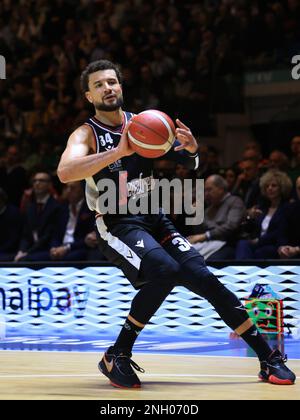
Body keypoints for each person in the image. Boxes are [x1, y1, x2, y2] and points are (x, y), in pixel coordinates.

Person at [57, 60, 295, 389]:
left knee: (205, 278)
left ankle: (268, 358)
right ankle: (118, 354)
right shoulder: (86, 133)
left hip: (154, 217)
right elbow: (66, 172)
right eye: (99, 85)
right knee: (164, 270)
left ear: (121, 87)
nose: (108, 88)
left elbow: (188, 160)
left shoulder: (144, 123)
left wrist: (193, 150)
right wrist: (119, 152)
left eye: (112, 82)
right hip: (117, 221)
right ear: (88, 95)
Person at [235, 170, 292, 260]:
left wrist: (259, 241)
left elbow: (280, 232)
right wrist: (250, 217)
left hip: (275, 245)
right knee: (242, 243)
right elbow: (248, 230)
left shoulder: (287, 208)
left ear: (282, 188)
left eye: (274, 186)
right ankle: (241, 273)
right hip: (258, 243)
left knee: (261, 252)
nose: (270, 188)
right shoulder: (262, 207)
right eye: (267, 186)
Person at [187, 174, 246, 261]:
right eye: (205, 190)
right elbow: (200, 232)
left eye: (209, 190)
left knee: (208, 261)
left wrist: (205, 236)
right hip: (208, 243)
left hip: (228, 243)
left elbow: (231, 227)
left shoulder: (235, 201)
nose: (206, 194)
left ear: (221, 189)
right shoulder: (209, 208)